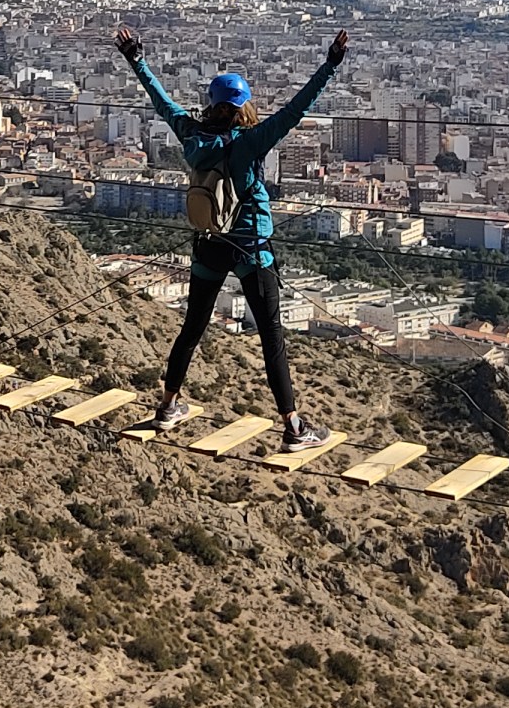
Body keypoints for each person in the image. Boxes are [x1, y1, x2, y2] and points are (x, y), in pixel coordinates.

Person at [116, 24, 350, 452]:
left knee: (192, 328)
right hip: (251, 248)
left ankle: (168, 405)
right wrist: (330, 65)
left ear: (211, 103)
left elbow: (161, 101)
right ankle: (294, 427)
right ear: (243, 105)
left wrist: (137, 59)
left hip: (209, 243)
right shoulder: (250, 142)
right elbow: (295, 110)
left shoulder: (191, 134)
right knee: (271, 338)